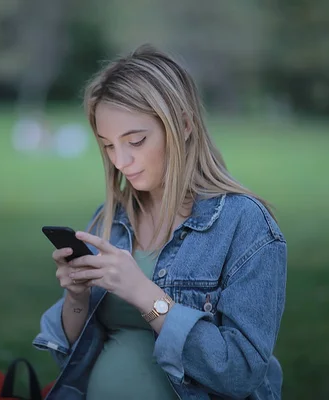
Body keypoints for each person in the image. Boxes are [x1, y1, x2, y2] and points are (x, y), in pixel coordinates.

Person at [33, 44, 287, 400]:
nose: (120, 161)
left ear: (183, 125)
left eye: (135, 141)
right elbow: (76, 354)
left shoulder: (244, 225)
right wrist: (77, 296)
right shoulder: (111, 219)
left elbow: (239, 372)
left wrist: (144, 293)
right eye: (108, 146)